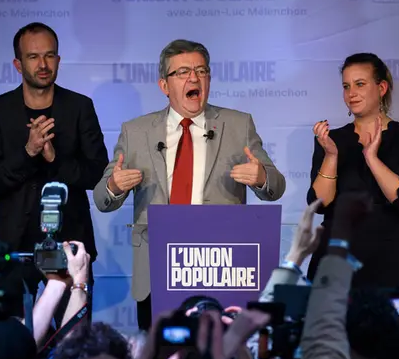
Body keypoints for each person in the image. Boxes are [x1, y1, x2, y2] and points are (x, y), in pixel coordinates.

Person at [92, 39, 286, 330]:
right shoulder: (136, 132)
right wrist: (114, 187)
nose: (194, 78)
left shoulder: (238, 125)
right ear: (164, 85)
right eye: (182, 72)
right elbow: (101, 199)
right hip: (158, 267)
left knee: (221, 356)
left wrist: (261, 178)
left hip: (221, 266)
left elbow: (277, 186)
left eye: (201, 71)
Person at [0, 22, 109, 294]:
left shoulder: (79, 107)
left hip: (69, 244)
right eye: (33, 57)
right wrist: (28, 153)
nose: (43, 64)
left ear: (58, 60)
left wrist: (54, 160)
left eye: (49, 55)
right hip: (11, 247)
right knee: (11, 335)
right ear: (17, 64)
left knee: (71, 335)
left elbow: (96, 173)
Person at [307, 53, 399, 290]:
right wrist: (331, 156)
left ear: (382, 87)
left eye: (360, 84)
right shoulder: (331, 140)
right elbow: (319, 203)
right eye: (346, 86)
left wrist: (371, 157)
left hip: (394, 261)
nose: (351, 93)